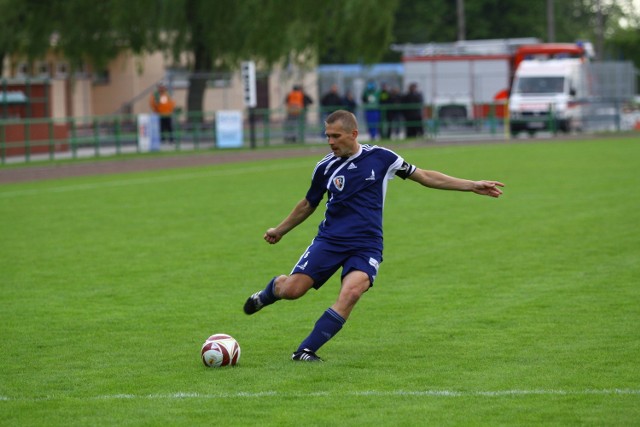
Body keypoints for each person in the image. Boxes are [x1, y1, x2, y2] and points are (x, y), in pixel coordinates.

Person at [243, 110, 504, 362]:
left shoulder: (382, 158)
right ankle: (269, 292)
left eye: (336, 136)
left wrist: (471, 185)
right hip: (330, 241)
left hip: (367, 245)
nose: (330, 142)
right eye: (328, 136)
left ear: (354, 133)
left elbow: (424, 176)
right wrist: (279, 230)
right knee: (292, 290)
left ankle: (305, 351)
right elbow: (308, 204)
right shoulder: (325, 167)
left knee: (352, 292)